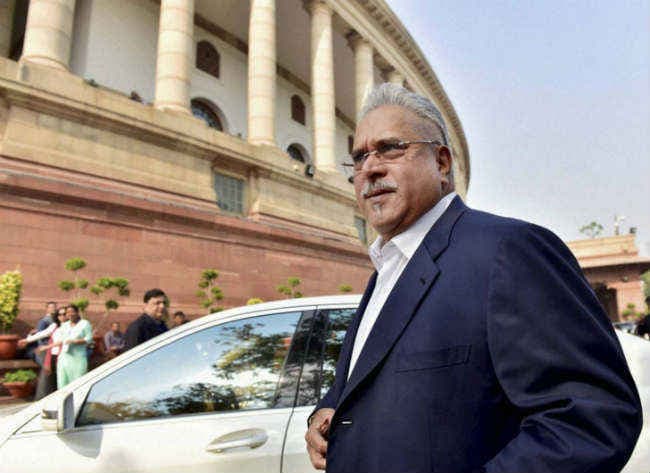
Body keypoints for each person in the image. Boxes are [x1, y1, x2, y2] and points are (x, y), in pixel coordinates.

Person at [305, 83, 642, 473]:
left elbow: (592, 417)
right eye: (359, 157)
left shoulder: (508, 251)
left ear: (442, 163)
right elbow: (369, 383)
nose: (370, 168)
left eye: (391, 148)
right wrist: (326, 410)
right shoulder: (386, 270)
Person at [56, 304, 93, 388]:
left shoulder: (84, 323)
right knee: (62, 382)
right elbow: (61, 340)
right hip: (64, 357)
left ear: (77, 312)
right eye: (68, 312)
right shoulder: (64, 325)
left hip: (78, 357)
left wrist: (75, 341)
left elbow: (89, 339)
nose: (70, 314)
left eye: (72, 312)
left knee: (78, 383)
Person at [25, 301, 57, 366]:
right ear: (47, 309)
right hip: (45, 345)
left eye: (54, 307)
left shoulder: (55, 319)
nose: (53, 309)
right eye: (51, 307)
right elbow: (40, 334)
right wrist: (41, 346)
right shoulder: (44, 320)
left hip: (52, 345)